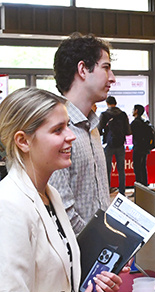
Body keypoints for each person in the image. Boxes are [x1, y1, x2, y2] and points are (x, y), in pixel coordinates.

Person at [0, 87, 123, 292]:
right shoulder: (7, 208)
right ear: (23, 141)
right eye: (57, 130)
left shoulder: (50, 196)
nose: (71, 136)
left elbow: (51, 280)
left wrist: (91, 287)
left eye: (68, 127)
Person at [49, 33, 115, 233]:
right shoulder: (55, 131)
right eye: (105, 67)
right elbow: (62, 211)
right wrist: (98, 245)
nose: (112, 78)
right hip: (79, 256)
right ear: (83, 70)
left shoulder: (92, 127)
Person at [99, 96, 131, 195]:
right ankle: (122, 191)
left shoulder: (104, 115)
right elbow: (128, 131)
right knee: (121, 169)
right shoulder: (123, 115)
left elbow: (99, 129)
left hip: (109, 144)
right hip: (120, 144)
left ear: (107, 104)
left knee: (107, 168)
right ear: (116, 103)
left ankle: (107, 190)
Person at [130, 104, 152, 186]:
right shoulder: (144, 122)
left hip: (138, 148)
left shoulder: (135, 122)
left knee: (137, 169)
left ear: (136, 111)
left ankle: (139, 189)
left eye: (133, 109)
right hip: (145, 148)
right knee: (143, 168)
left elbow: (128, 132)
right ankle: (145, 187)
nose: (132, 111)